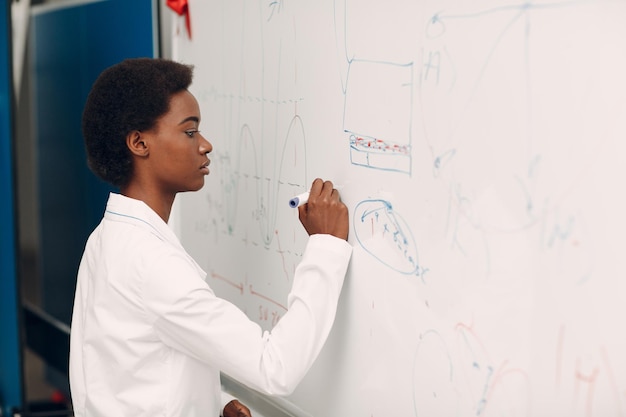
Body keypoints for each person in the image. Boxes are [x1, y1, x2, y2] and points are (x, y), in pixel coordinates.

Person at [68, 58, 352, 417]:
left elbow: (119, 369)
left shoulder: (108, 238)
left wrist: (209, 401)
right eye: (190, 132)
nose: (205, 145)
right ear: (139, 143)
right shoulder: (150, 263)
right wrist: (325, 246)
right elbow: (274, 368)